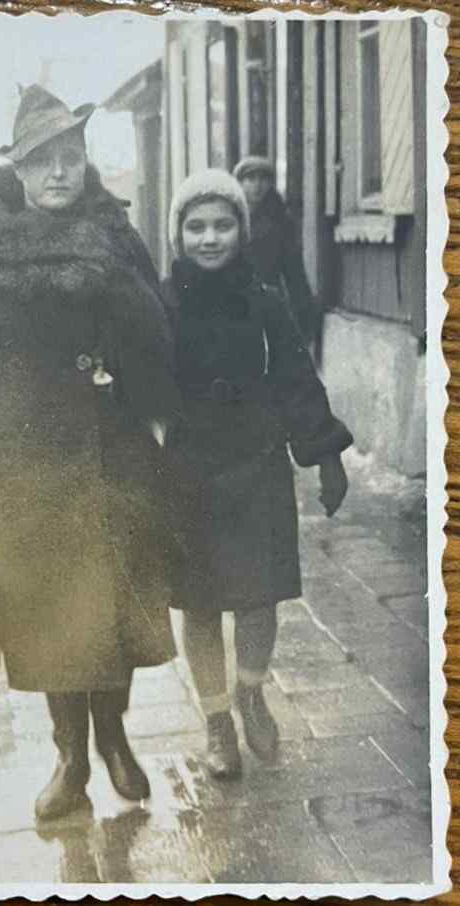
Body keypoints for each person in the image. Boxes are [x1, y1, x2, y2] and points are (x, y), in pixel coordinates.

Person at [0, 85, 182, 820]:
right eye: (42, 160)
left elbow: (161, 336)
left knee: (115, 603)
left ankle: (114, 738)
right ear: (16, 169)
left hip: (115, 451)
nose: (58, 172)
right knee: (52, 615)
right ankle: (70, 758)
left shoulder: (114, 234)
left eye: (70, 157)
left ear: (85, 161)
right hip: (30, 461)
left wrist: (124, 312)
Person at [162, 169, 352, 778]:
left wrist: (326, 454)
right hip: (189, 473)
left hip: (257, 466)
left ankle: (250, 691)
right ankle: (217, 720)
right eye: (196, 226)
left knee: (258, 596)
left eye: (222, 225)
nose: (209, 237)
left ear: (241, 231)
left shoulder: (265, 300)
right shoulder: (161, 306)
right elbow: (138, 384)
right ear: (178, 235)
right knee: (199, 606)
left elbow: (297, 380)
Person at [233, 156, 316, 341]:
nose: (257, 185)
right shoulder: (231, 218)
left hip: (267, 300)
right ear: (240, 183)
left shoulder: (280, 221)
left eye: (263, 179)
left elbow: (295, 273)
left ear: (270, 183)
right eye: (250, 178)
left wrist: (304, 319)